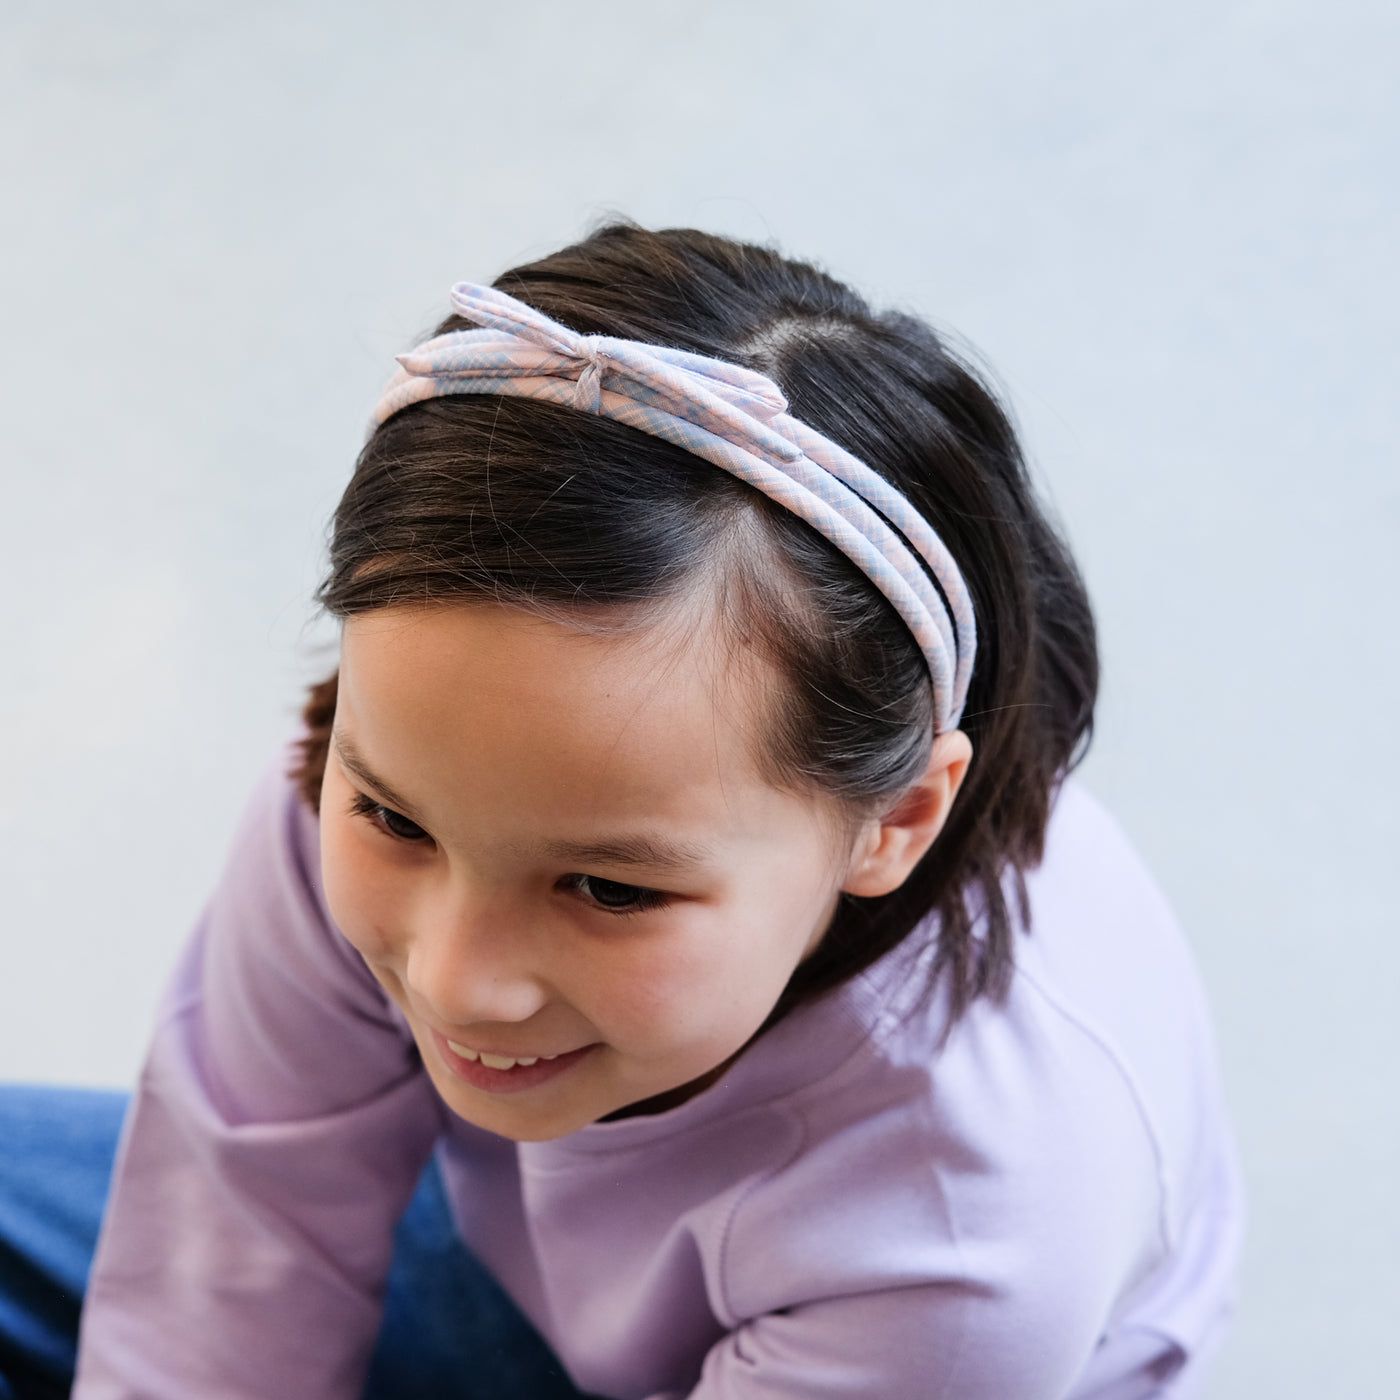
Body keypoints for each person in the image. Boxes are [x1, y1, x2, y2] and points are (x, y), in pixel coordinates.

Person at [0, 224, 1243, 1399]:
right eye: (395, 821)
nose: (456, 979)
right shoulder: (407, 762)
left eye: (609, 888)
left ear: (895, 820)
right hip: (518, 1255)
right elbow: (226, 1270)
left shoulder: (966, 1232)